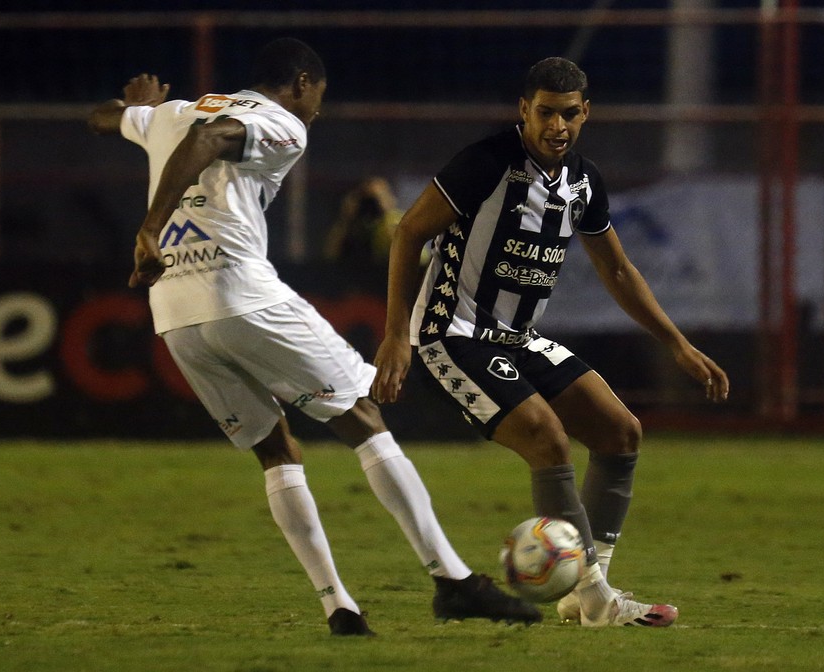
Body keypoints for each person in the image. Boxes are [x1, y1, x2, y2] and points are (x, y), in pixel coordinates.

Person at [87, 37, 540, 636]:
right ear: (301, 83)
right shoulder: (280, 124)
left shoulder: (174, 111)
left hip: (174, 311)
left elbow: (100, 117)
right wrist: (149, 227)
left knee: (276, 451)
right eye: (318, 96)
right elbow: (211, 140)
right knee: (364, 418)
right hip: (239, 293)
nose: (317, 109)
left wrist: (129, 109)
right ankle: (452, 580)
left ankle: (339, 608)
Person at [372, 56, 730, 628]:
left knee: (621, 432)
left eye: (567, 114)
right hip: (453, 334)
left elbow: (617, 270)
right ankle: (593, 596)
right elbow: (409, 231)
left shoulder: (584, 182)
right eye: (544, 113)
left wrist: (676, 344)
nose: (555, 126)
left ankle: (583, 589)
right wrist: (396, 335)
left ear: (585, 113)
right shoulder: (486, 163)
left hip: (518, 337)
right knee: (547, 438)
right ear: (524, 110)